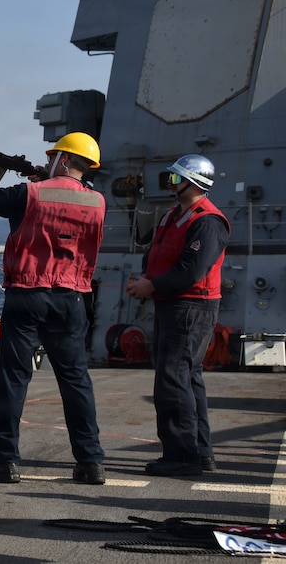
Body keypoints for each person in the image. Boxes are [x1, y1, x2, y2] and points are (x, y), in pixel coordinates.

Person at [0, 133, 107, 485]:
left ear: (65, 159)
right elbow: (62, 213)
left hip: (27, 294)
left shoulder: (32, 194)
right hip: (71, 298)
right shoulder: (98, 202)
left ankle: (5, 461)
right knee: (76, 381)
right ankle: (90, 462)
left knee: (13, 379)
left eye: (55, 156)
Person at [126, 154, 229, 477]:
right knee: (187, 377)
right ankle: (200, 452)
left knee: (172, 380)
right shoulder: (174, 215)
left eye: (174, 179)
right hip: (173, 304)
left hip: (190, 308)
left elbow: (192, 271)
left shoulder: (208, 222)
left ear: (193, 183)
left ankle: (182, 455)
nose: (169, 184)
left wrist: (152, 286)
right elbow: (155, 252)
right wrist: (146, 280)